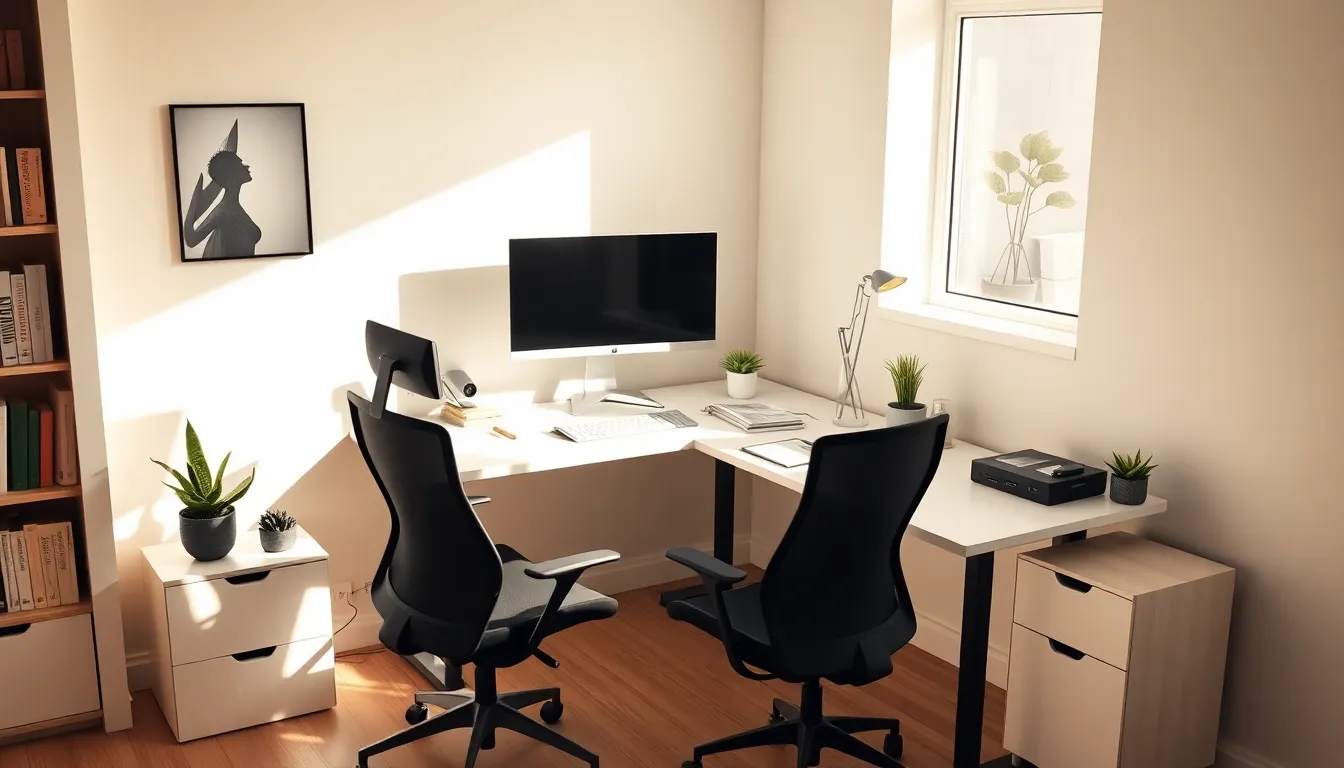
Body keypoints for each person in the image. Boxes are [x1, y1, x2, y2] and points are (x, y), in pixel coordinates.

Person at [182, 147, 261, 259]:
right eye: (241, 165)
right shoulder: (224, 210)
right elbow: (191, 240)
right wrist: (194, 203)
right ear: (232, 174)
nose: (246, 167)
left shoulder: (230, 207)